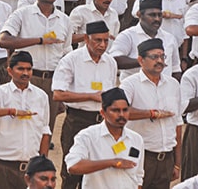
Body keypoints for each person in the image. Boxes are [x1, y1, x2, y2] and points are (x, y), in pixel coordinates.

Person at [0, 0, 72, 131]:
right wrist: (39, 40)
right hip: (26, 79)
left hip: (52, 81)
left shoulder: (64, 20)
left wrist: (63, 90)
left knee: (46, 130)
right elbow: (3, 41)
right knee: (21, 127)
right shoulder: (22, 14)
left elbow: (67, 55)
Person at [52, 21, 118, 189]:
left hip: (103, 123)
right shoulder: (71, 60)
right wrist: (89, 96)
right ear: (87, 39)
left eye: (105, 40)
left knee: (99, 172)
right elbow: (58, 94)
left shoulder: (110, 62)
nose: (102, 45)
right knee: (72, 171)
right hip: (78, 120)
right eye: (97, 40)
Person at [0, 51, 51, 188]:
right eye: (20, 69)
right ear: (10, 71)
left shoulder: (41, 96)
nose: (25, 73)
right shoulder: (0, 93)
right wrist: (10, 111)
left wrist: (43, 163)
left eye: (29, 69)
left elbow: (45, 131)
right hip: (3, 167)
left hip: (31, 169)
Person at [120, 38, 183, 189]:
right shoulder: (130, 84)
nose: (160, 61)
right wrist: (152, 113)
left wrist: (177, 163)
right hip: (140, 155)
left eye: (162, 56)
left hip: (166, 158)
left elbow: (178, 124)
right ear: (141, 60)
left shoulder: (173, 84)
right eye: (154, 57)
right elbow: (120, 112)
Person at [65, 87, 145, 189]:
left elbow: (138, 176)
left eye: (125, 110)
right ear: (103, 113)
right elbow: (73, 166)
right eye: (115, 110)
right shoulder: (88, 136)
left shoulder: (136, 139)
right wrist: (111, 162)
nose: (121, 115)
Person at [110, 0, 181, 81]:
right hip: (134, 91)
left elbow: (175, 69)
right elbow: (114, 60)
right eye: (152, 15)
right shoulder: (127, 35)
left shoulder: (170, 38)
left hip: (163, 91)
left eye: (160, 15)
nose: (157, 19)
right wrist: (144, 61)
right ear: (140, 15)